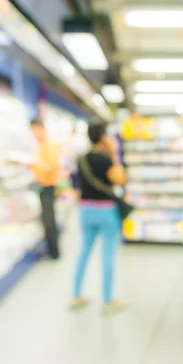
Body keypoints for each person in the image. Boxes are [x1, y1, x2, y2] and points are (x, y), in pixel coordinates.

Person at [71, 122, 127, 314]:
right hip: (106, 211)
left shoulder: (82, 160)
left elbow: (77, 187)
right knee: (108, 256)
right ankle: (108, 301)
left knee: (83, 253)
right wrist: (115, 154)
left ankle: (76, 295)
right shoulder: (105, 160)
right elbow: (120, 179)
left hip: (85, 211)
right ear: (104, 137)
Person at [29, 119, 62, 260]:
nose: (33, 134)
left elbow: (51, 165)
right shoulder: (41, 145)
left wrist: (34, 165)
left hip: (48, 186)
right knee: (46, 219)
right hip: (44, 186)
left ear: (40, 128)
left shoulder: (50, 145)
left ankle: (54, 252)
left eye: (34, 131)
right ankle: (50, 249)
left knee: (49, 220)